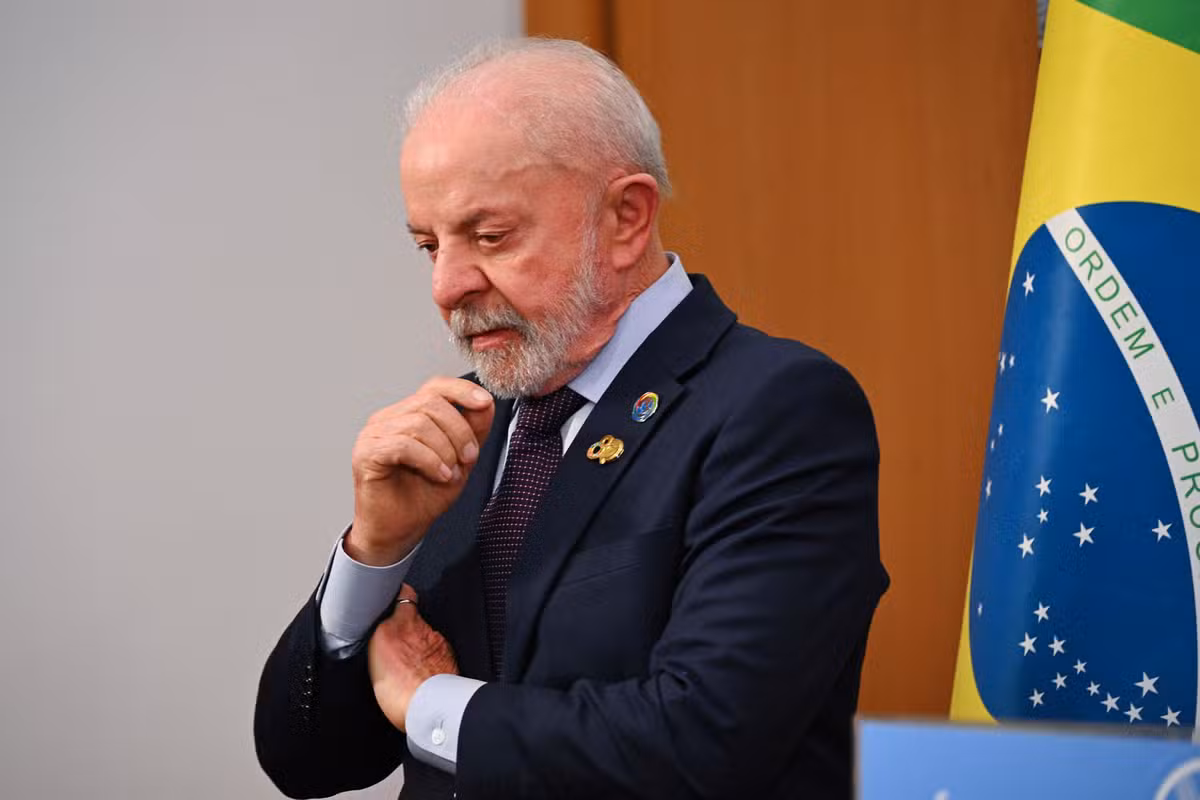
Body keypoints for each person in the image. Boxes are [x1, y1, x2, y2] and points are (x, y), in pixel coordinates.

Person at [254, 37, 888, 800]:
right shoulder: (467, 426)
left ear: (626, 217)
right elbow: (307, 762)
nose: (447, 285)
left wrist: (433, 705)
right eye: (429, 246)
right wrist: (376, 552)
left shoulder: (780, 408)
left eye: (490, 237)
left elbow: (705, 743)